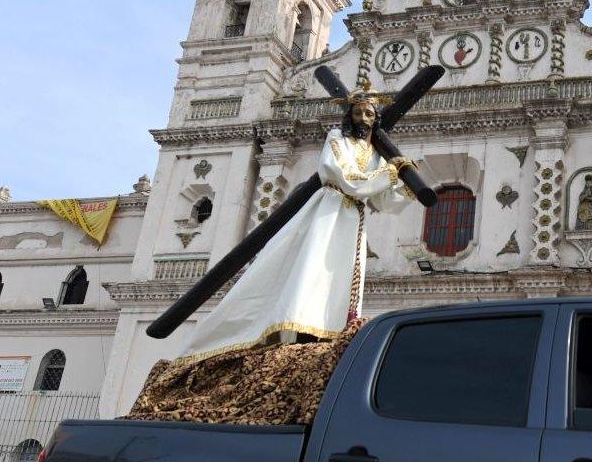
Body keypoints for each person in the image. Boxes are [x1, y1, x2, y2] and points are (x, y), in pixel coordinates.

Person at [174, 83, 416, 365]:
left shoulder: (376, 155)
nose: (363, 119)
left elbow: (383, 200)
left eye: (369, 114)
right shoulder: (337, 138)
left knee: (336, 279)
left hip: (353, 221)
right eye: (358, 113)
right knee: (310, 271)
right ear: (349, 115)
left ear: (376, 118)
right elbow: (343, 176)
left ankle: (328, 334)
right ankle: (297, 327)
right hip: (327, 213)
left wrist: (403, 185)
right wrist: (389, 172)